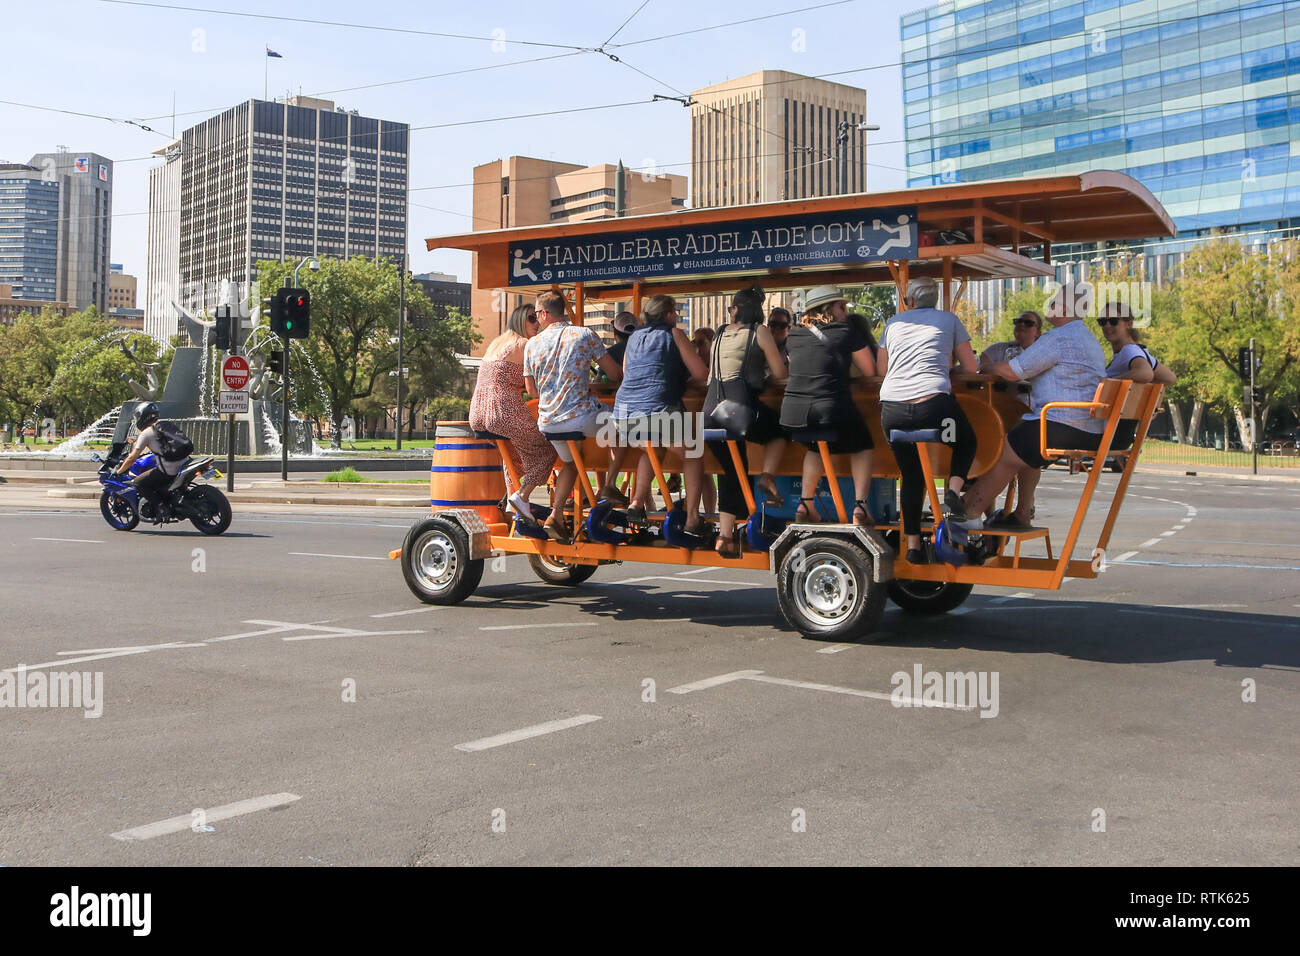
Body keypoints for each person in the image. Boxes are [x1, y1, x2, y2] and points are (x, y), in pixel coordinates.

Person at [961, 293, 1107, 530]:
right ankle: (1022, 513)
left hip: (1062, 421)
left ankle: (970, 511)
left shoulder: (1058, 338)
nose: (1048, 305)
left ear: (1065, 309)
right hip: (1089, 425)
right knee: (1026, 449)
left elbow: (1015, 371)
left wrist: (986, 367)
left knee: (1005, 449)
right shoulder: (1088, 339)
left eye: (1054, 302)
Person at [877, 276, 979, 565]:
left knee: (911, 476)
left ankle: (912, 547)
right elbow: (971, 367)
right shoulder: (950, 320)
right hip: (933, 406)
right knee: (966, 441)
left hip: (892, 410)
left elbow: (882, 368)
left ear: (909, 301)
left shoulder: (894, 323)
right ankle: (952, 491)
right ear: (934, 299)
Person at [523, 290, 624, 543]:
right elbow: (614, 375)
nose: (536, 318)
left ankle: (555, 516)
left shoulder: (532, 344)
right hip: (581, 415)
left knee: (571, 463)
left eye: (536, 314)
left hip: (548, 421)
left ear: (545, 314)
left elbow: (531, 390)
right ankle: (610, 485)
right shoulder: (584, 334)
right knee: (624, 426)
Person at [779, 284, 876, 526]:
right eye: (841, 306)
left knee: (815, 446)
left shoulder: (794, 334)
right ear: (830, 308)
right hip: (829, 408)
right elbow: (870, 371)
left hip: (792, 412)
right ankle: (860, 507)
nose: (845, 311)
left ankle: (805, 503)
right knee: (863, 444)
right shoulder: (845, 332)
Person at [704, 285, 789, 557]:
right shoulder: (759, 331)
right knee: (780, 429)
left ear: (736, 309)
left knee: (731, 469)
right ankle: (767, 477)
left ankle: (725, 537)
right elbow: (780, 373)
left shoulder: (718, 333)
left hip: (709, 414)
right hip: (738, 411)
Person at [615, 294, 709, 534]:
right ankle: (691, 518)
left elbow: (627, 373)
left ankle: (636, 502)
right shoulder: (674, 334)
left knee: (652, 448)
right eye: (675, 313)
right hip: (658, 409)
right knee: (693, 454)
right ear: (669, 315)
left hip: (624, 413)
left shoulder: (634, 336)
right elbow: (701, 374)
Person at [469, 303, 554, 524]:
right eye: (531, 319)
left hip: (478, 411)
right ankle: (521, 495)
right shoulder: (527, 344)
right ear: (519, 320)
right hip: (501, 408)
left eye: (537, 318)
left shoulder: (498, 342)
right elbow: (533, 386)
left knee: (513, 453)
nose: (537, 323)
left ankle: (511, 501)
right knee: (548, 449)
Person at [113, 402, 188, 522]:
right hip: (185, 462)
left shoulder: (146, 433)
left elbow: (132, 458)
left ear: (142, 417)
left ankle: (162, 508)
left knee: (138, 483)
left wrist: (119, 471)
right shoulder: (166, 424)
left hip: (169, 470)